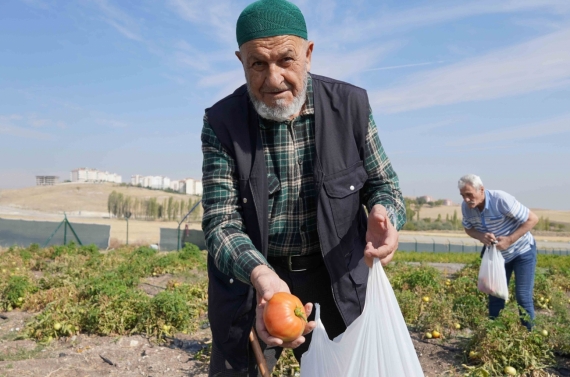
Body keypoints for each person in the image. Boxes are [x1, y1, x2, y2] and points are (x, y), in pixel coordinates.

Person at [201, 0, 406, 375]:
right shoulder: (222, 123)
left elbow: (385, 186)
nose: (273, 78)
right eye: (257, 64)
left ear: (308, 54)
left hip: (335, 277)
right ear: (240, 61)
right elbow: (221, 223)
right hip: (256, 279)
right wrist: (262, 277)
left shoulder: (351, 107)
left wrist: (384, 214)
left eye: (286, 60)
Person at [458, 174, 538, 329]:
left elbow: (532, 219)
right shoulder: (466, 208)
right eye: (463, 196)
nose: (466, 200)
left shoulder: (500, 200)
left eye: (469, 194)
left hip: (522, 251)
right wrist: (481, 236)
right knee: (495, 294)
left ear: (481, 190)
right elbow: (468, 228)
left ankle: (530, 336)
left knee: (523, 296)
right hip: (498, 256)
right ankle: (493, 335)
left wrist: (510, 239)